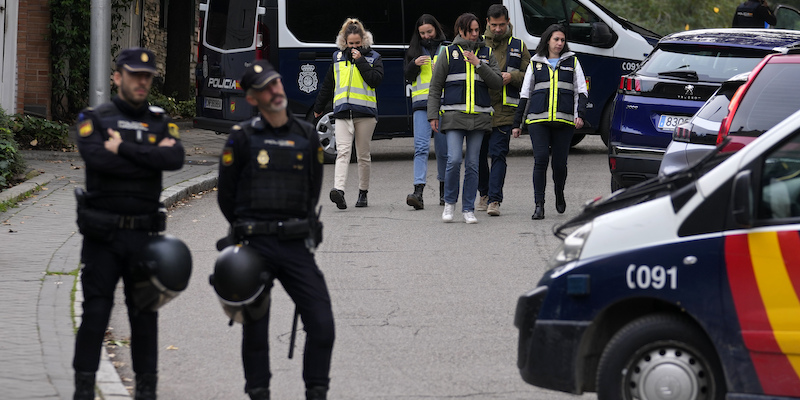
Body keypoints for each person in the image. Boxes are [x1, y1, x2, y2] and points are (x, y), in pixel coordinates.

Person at [72, 47, 185, 400]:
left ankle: (146, 392)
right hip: (103, 235)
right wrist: (150, 157)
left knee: (144, 317)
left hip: (144, 237)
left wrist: (121, 149)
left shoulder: (160, 120)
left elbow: (176, 158)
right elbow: (95, 158)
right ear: (117, 77)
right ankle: (83, 390)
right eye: (135, 75)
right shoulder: (96, 118)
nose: (142, 82)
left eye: (147, 77)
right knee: (95, 314)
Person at [218, 60, 335, 400]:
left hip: (295, 244)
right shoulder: (241, 139)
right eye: (266, 88)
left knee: (322, 324)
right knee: (255, 329)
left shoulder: (307, 136)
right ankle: (258, 392)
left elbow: (313, 190)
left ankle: (316, 391)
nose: (275, 91)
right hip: (254, 245)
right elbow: (227, 196)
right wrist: (248, 227)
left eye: (276, 83)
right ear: (253, 99)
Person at [428, 13, 503, 224]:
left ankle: (468, 208)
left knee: (472, 164)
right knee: (453, 160)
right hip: (453, 116)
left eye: (477, 30)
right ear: (460, 31)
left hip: (479, 117)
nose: (474, 34)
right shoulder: (448, 53)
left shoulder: (486, 53)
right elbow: (435, 87)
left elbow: (497, 82)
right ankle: (450, 203)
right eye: (470, 30)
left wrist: (479, 64)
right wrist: (433, 114)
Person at [512, 24, 588, 220]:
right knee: (541, 159)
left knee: (560, 164)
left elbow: (581, 90)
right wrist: (517, 124)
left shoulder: (572, 61)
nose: (560, 43)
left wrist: (579, 114)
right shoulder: (535, 62)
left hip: (564, 121)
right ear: (547, 40)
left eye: (562, 40)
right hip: (538, 120)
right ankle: (539, 205)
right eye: (556, 39)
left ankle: (559, 193)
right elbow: (525, 94)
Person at [314, 18, 384, 209]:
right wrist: (319, 107)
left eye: (357, 43)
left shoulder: (373, 57)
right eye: (351, 44)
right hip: (343, 113)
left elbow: (375, 80)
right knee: (343, 152)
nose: (354, 47)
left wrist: (360, 61)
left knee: (363, 155)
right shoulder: (337, 58)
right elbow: (328, 84)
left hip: (365, 114)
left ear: (363, 41)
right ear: (344, 42)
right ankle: (339, 191)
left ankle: (363, 193)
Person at [476, 4, 531, 216]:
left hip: (505, 109)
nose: (498, 29)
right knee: (479, 156)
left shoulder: (518, 45)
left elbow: (530, 74)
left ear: (508, 22)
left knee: (498, 154)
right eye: (494, 25)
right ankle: (484, 193)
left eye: (501, 24)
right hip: (480, 109)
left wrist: (513, 77)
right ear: (487, 23)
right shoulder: (478, 44)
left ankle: (494, 200)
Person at [405, 14, 449, 210]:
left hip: (443, 104)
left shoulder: (447, 49)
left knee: (443, 151)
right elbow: (406, 76)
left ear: (436, 30)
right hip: (421, 105)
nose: (426, 36)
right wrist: (414, 65)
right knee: (421, 148)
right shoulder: (413, 50)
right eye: (422, 33)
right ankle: (418, 192)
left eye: (429, 32)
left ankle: (444, 191)